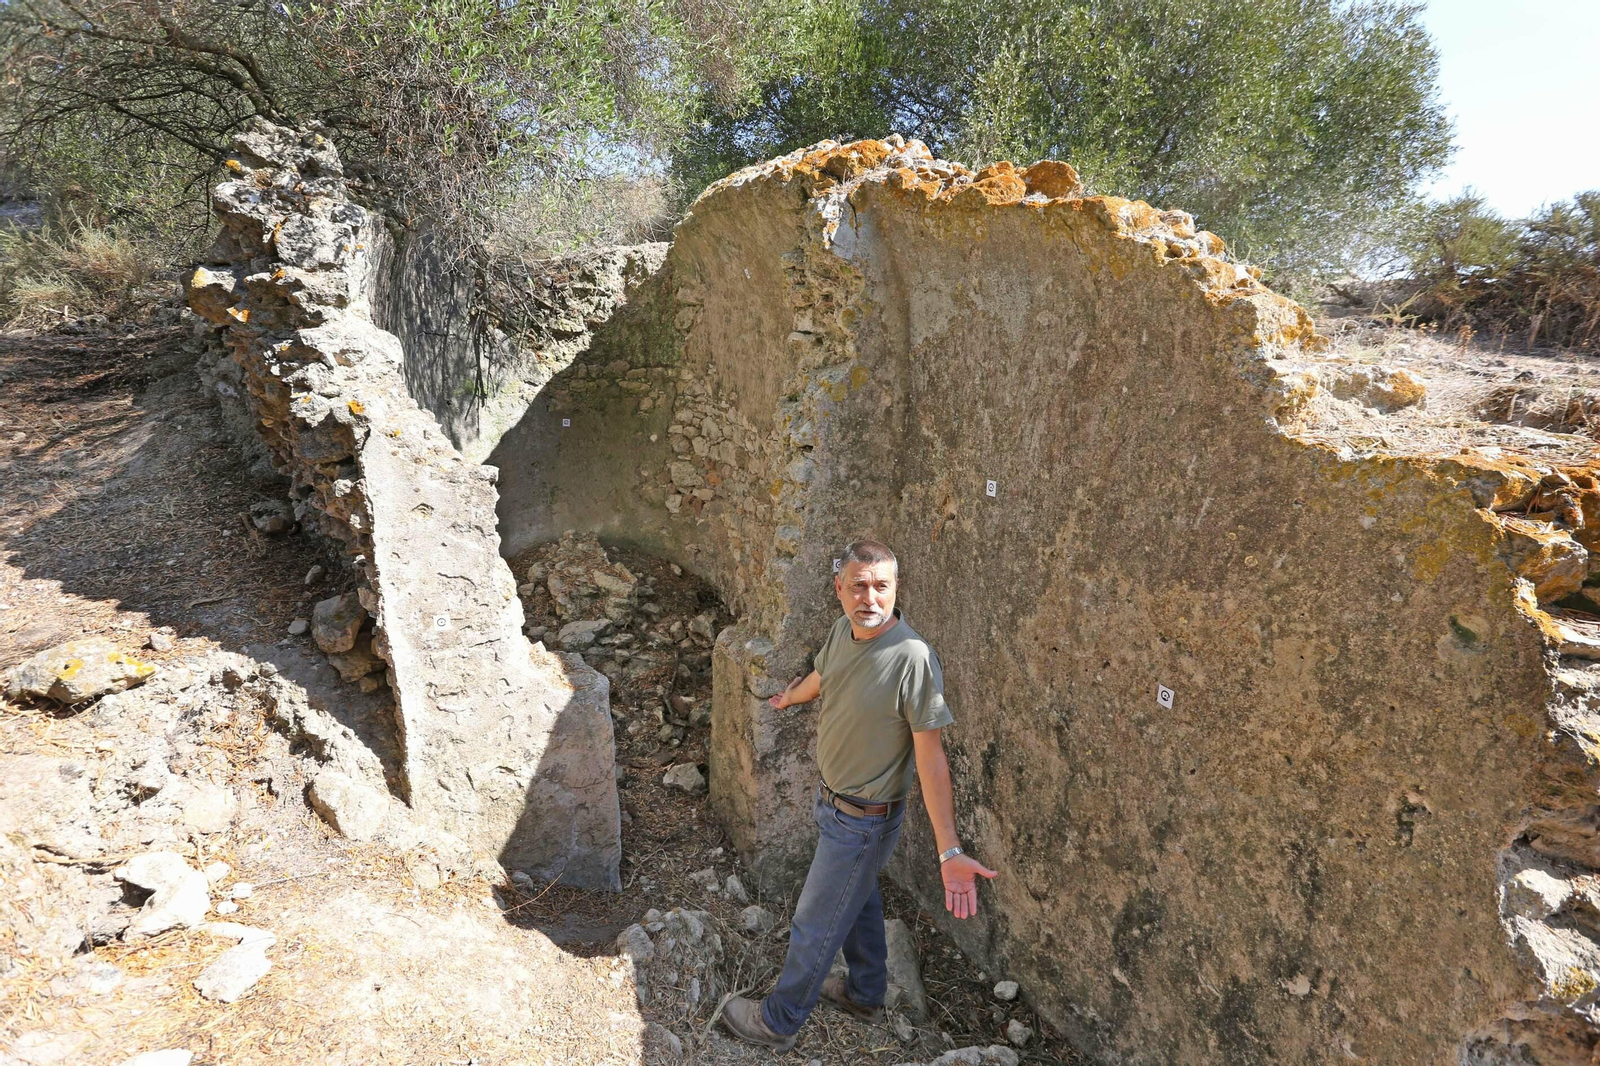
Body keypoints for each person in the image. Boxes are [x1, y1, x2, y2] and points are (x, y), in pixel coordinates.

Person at [720, 538, 999, 1052]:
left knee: (814, 921)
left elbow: (931, 759)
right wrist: (789, 696)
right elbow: (826, 677)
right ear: (839, 589)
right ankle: (865, 993)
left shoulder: (913, 658)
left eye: (881, 587)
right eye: (858, 586)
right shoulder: (843, 632)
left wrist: (949, 850)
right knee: (861, 900)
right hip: (833, 805)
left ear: (895, 589)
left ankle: (778, 1022)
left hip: (864, 820)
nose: (869, 598)